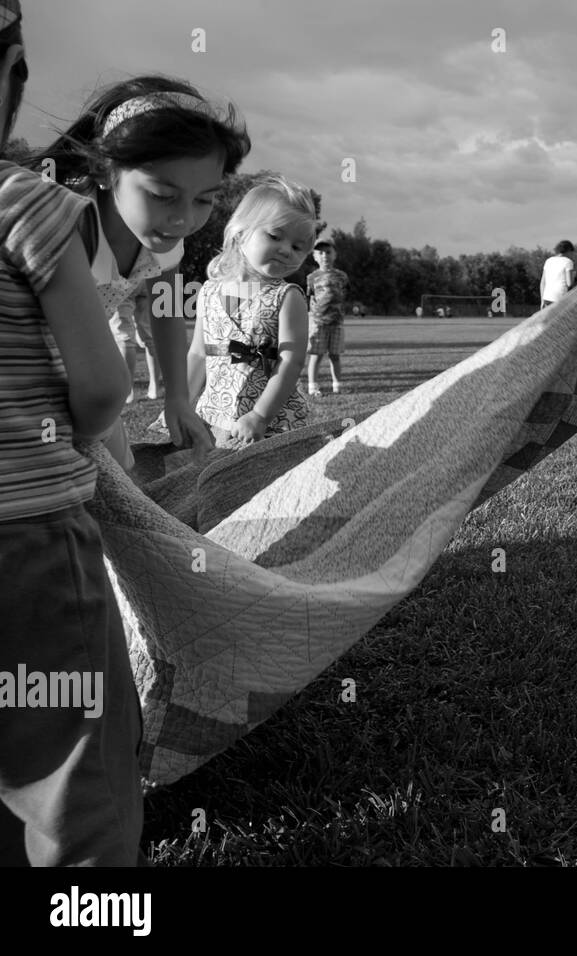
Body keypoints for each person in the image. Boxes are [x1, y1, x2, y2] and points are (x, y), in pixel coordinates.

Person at [0, 0, 141, 866]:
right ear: (14, 81)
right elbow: (100, 387)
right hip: (27, 544)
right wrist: (85, 434)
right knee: (70, 770)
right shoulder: (27, 203)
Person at [31, 76, 252, 466]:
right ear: (103, 171)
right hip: (29, 382)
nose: (184, 219)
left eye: (205, 199)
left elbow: (166, 311)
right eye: (162, 195)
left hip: (86, 379)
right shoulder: (69, 226)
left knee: (124, 480)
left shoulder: (167, 243)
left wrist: (179, 398)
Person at [188, 175, 313, 446]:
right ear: (241, 232)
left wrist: (260, 415)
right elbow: (199, 353)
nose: (285, 250)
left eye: (297, 247)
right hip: (214, 416)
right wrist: (181, 403)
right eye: (275, 236)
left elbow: (291, 362)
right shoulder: (209, 292)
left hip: (269, 423)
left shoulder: (287, 297)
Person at [305, 237, 348, 395]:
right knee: (316, 355)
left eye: (328, 252)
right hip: (318, 322)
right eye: (320, 253)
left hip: (336, 322)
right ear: (315, 256)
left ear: (335, 254)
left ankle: (337, 384)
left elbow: (344, 294)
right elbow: (310, 298)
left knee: (335, 355)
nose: (325, 256)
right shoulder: (311, 278)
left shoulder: (342, 276)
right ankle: (312, 385)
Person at [540, 240, 575, 307]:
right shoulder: (568, 262)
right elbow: (569, 283)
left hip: (547, 297)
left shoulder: (548, 261)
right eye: (571, 252)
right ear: (568, 250)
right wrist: (573, 275)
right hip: (560, 297)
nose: (572, 255)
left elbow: (542, 283)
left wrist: (542, 300)